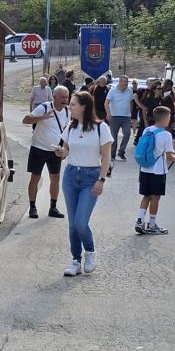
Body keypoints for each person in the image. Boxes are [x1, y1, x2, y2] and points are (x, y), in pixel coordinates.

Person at [56, 91, 113, 276]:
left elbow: (106, 157)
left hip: (91, 177)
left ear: (84, 107)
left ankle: (90, 251)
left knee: (81, 222)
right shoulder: (71, 127)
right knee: (73, 223)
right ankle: (75, 261)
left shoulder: (100, 128)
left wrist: (101, 180)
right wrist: (60, 152)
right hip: (71, 175)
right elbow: (65, 151)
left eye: (73, 104)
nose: (69, 107)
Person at [22, 86, 70, 219]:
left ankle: (53, 208)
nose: (65, 100)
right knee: (35, 178)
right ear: (54, 97)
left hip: (55, 151)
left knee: (55, 179)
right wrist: (42, 117)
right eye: (62, 97)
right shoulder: (44, 107)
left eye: (66, 97)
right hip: (38, 148)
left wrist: (65, 148)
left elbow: (67, 130)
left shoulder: (67, 111)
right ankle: (32, 207)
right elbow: (25, 120)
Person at [135, 106, 175, 235]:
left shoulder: (147, 130)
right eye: (169, 117)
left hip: (144, 168)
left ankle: (139, 220)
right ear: (165, 118)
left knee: (146, 196)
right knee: (155, 197)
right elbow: (169, 156)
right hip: (158, 171)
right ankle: (152, 224)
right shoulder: (166, 135)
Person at [106, 75, 133, 162]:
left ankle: (121, 152)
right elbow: (106, 103)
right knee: (113, 137)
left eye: (127, 82)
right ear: (120, 82)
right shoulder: (112, 91)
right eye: (124, 81)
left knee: (127, 133)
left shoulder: (130, 91)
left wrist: (131, 113)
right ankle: (112, 154)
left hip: (126, 117)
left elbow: (131, 102)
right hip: (114, 116)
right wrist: (108, 113)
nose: (125, 83)